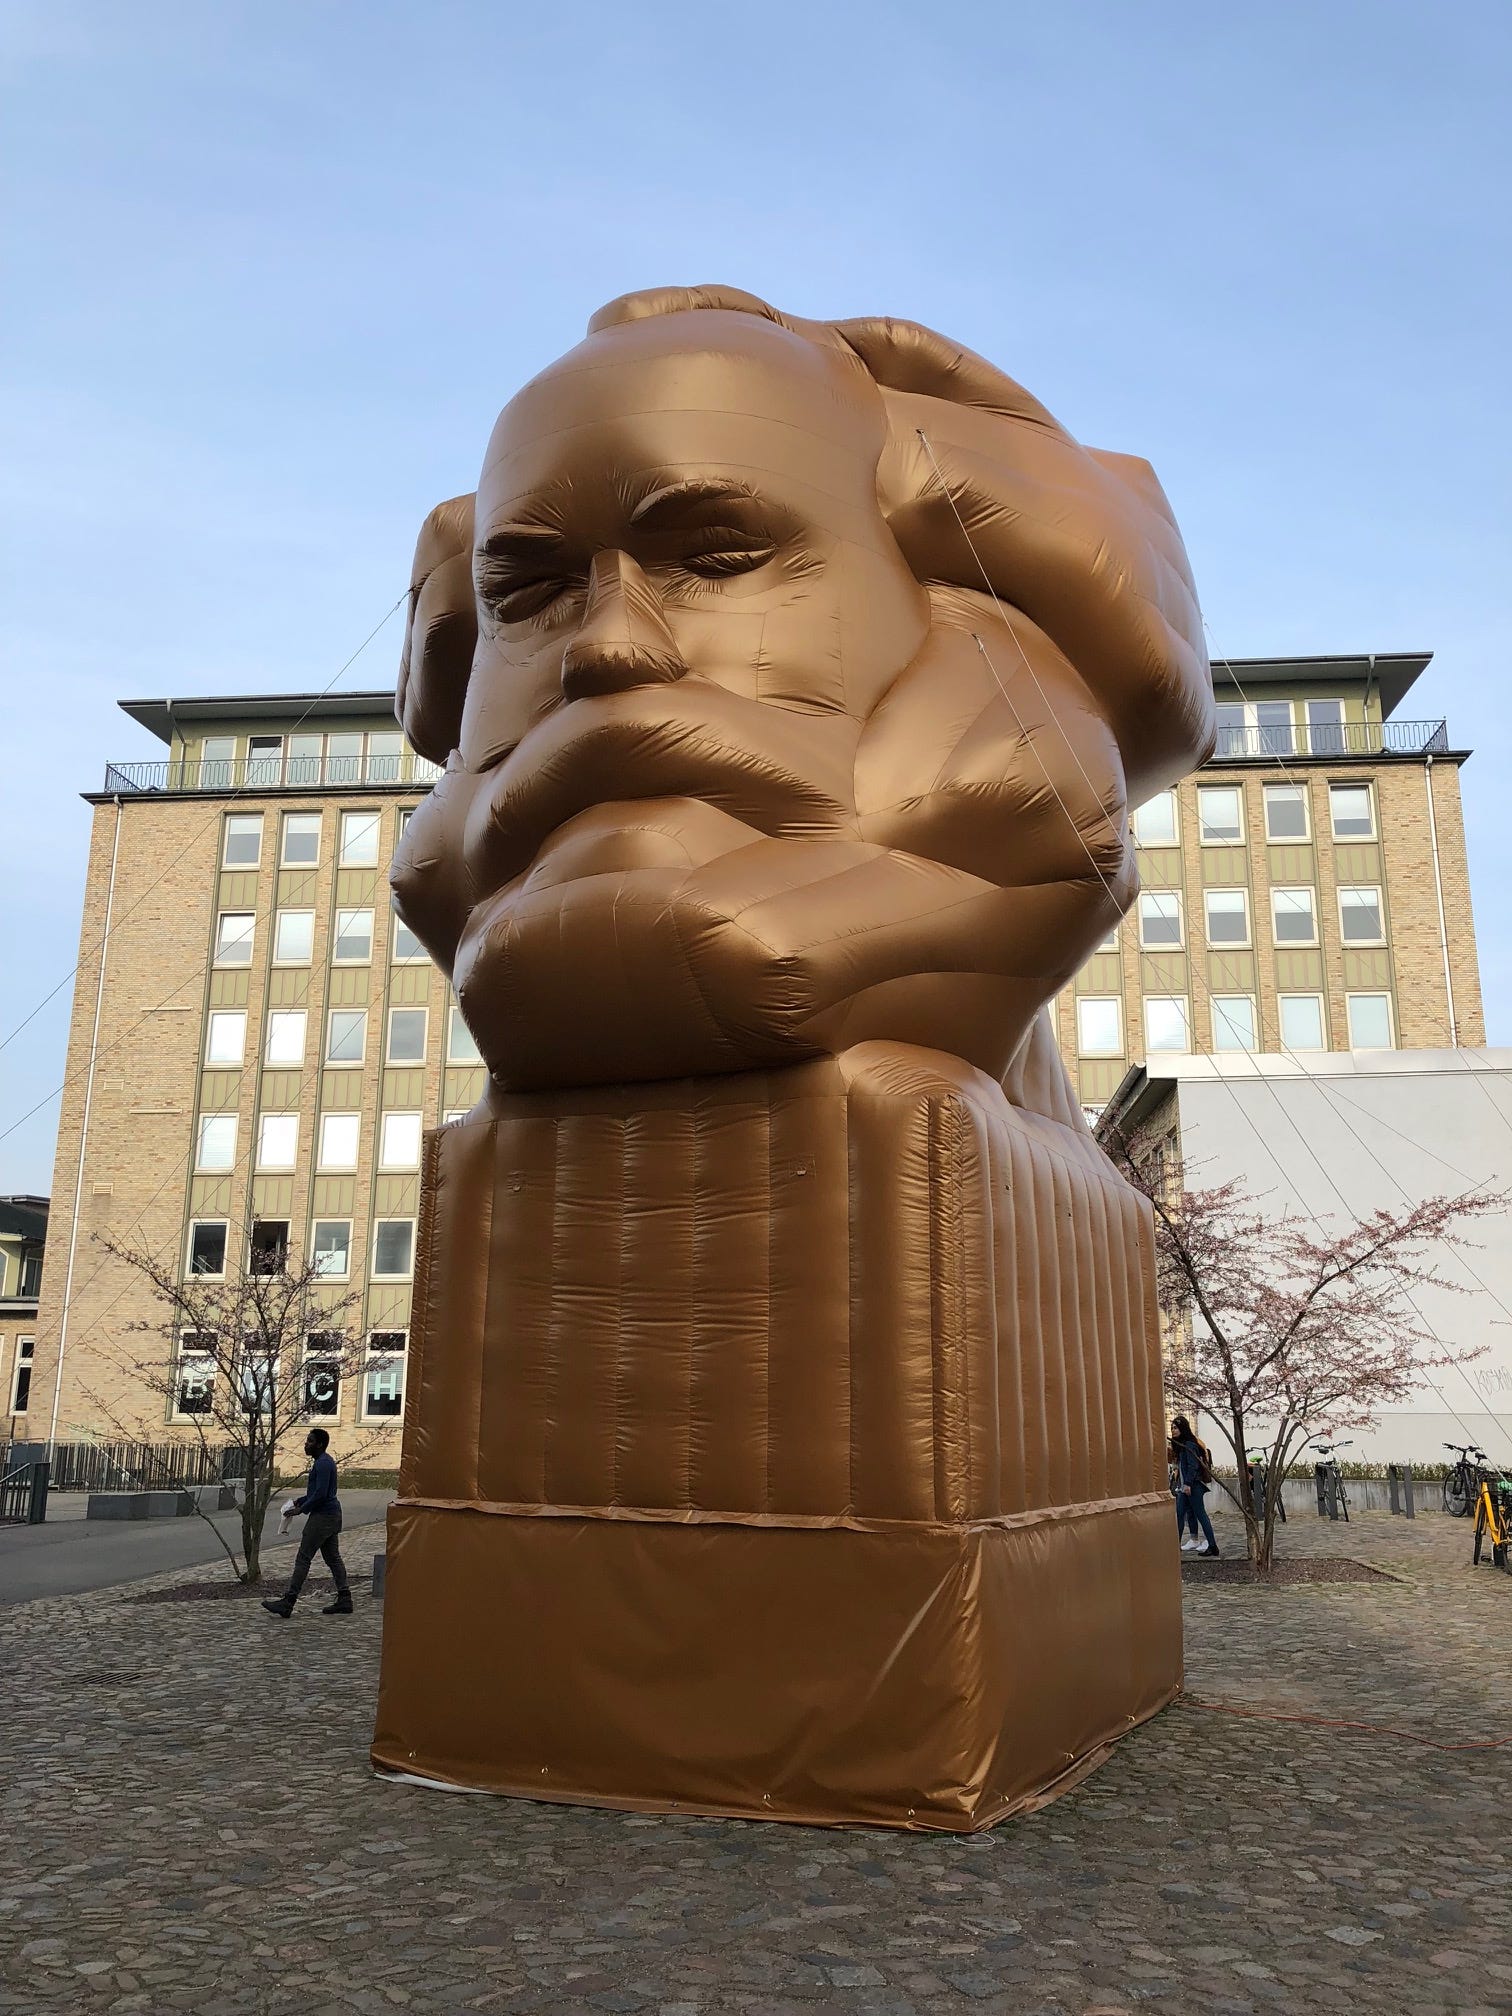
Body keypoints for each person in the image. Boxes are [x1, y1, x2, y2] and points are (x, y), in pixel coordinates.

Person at [261, 1427, 353, 1617]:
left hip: (323, 1517)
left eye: (310, 1441)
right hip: (331, 1515)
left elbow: (321, 1494)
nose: (306, 1444)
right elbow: (318, 1492)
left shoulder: (323, 1464)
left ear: (320, 1444)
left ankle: (288, 1601)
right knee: (333, 1558)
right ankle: (345, 1599)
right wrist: (300, 1501)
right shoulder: (323, 1461)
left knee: (303, 1558)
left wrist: (301, 1509)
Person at [1170, 1415, 1219, 1556]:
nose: (1173, 1430)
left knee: (1200, 1514)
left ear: (1183, 1428)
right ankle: (1175, 1546)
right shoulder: (1181, 1445)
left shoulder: (1189, 1445)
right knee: (1180, 1514)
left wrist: (1188, 1484)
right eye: (1172, 1428)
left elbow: (1193, 1466)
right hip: (1184, 1487)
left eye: (1176, 1428)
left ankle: (1213, 1546)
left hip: (1192, 1486)